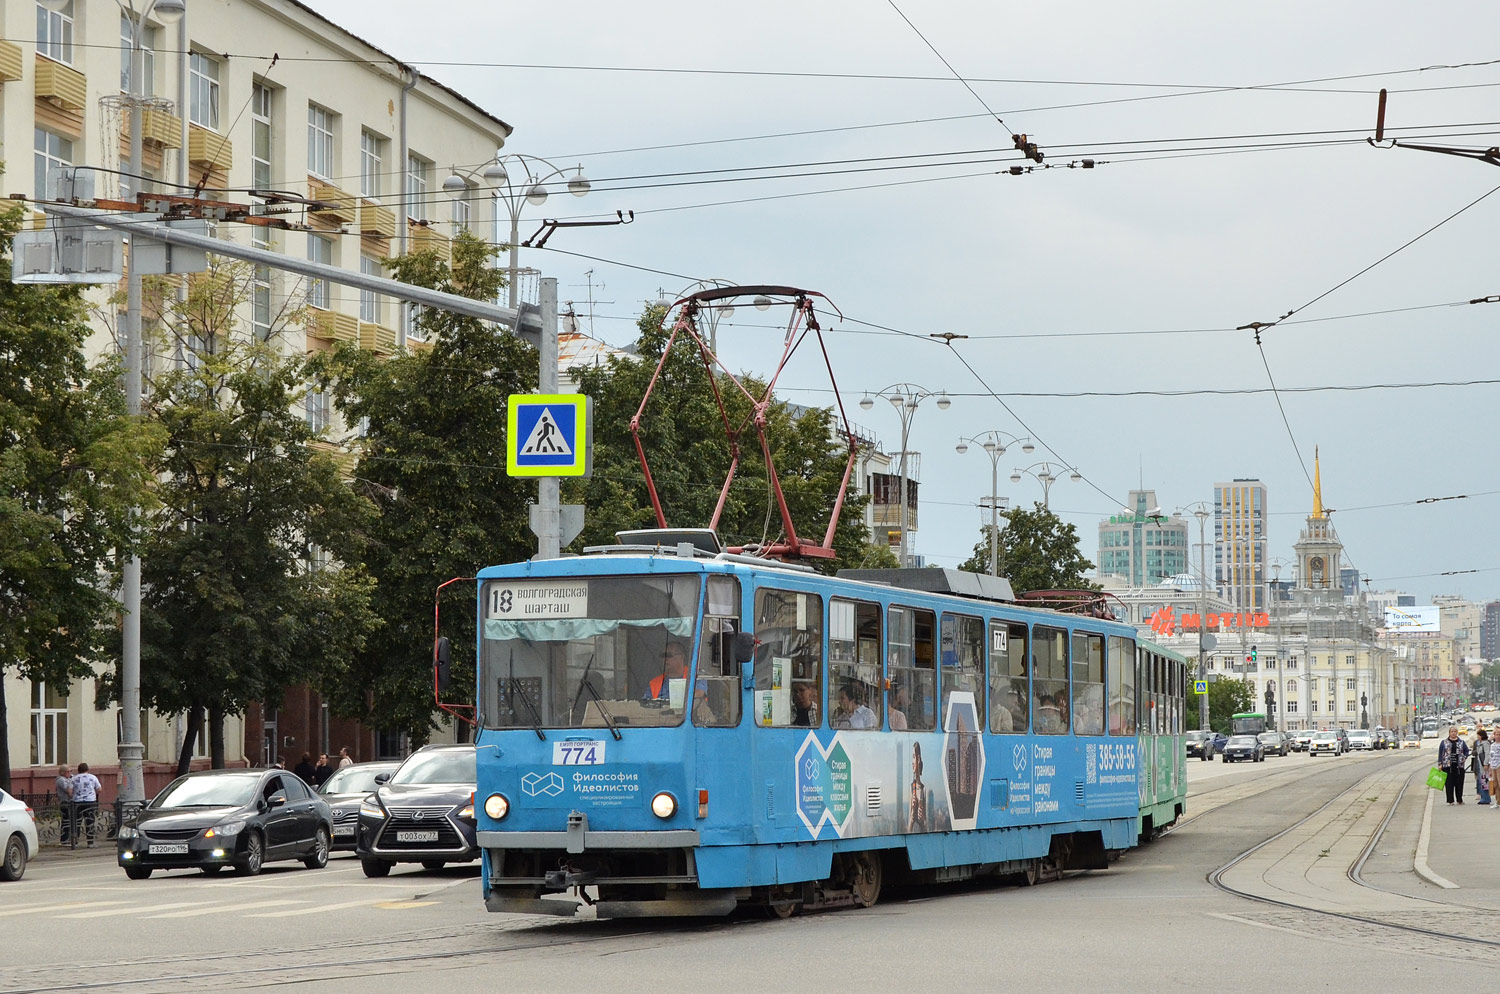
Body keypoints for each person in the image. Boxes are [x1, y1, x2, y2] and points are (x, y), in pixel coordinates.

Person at [69, 763, 102, 847]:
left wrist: (74, 795)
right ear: (87, 769)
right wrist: (92, 793)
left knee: (76, 822)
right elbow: (99, 789)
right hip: (90, 802)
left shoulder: (74, 778)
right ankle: (90, 842)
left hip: (77, 802)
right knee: (90, 821)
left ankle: (75, 842)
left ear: (78, 770)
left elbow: (69, 791)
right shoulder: (93, 777)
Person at [1438, 727, 1470, 805]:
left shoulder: (1461, 742)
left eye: (1455, 731)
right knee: (1449, 784)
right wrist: (1440, 764)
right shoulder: (1444, 742)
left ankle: (1459, 799)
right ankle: (1450, 800)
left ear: (1457, 732)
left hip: (1459, 766)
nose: (1453, 733)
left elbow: (1467, 751)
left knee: (1459, 783)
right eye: (1452, 731)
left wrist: (1464, 757)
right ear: (1449, 733)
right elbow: (1440, 753)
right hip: (1447, 766)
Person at [54, 766, 73, 844]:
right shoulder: (61, 780)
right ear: (63, 772)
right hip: (65, 802)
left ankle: (69, 838)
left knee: (70, 821)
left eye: (70, 771)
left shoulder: (69, 779)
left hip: (70, 802)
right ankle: (64, 839)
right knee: (66, 821)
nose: (70, 773)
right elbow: (69, 791)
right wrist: (72, 784)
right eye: (68, 772)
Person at [1475, 730, 1492, 805]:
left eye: (1479, 735)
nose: (1478, 737)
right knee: (1482, 781)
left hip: (1484, 766)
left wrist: (1486, 764)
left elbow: (1487, 754)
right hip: (1480, 765)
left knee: (1484, 781)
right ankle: (1484, 797)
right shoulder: (1480, 744)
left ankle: (1486, 798)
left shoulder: (1485, 744)